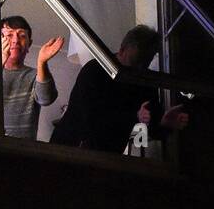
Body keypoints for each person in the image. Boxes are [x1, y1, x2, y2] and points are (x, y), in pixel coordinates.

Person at [50, 24, 189, 154]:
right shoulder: (95, 70)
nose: (139, 68)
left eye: (146, 61)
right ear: (122, 49)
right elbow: (92, 119)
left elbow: (141, 134)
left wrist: (163, 124)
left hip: (103, 155)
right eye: (136, 61)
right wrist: (137, 118)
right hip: (71, 148)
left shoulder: (144, 82)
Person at [0, 15, 64, 139]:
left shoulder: (34, 76)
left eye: (21, 36)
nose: (15, 40)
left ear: (29, 44)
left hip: (21, 151)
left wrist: (42, 62)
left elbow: (46, 99)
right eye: (9, 35)